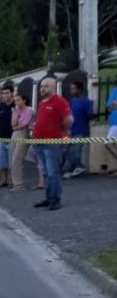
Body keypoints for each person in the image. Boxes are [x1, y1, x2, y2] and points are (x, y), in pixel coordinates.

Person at [32, 76, 72, 210]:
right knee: (45, 172)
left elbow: (69, 119)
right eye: (41, 86)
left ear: (53, 87)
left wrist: (61, 130)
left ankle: (55, 200)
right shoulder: (42, 103)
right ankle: (49, 198)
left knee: (53, 172)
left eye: (45, 86)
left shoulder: (59, 102)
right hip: (39, 143)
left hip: (52, 144)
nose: (42, 89)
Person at [63, 80, 94, 178]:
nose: (71, 91)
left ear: (79, 90)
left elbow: (90, 115)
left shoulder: (86, 101)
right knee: (67, 151)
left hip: (80, 130)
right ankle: (74, 169)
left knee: (75, 151)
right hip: (70, 130)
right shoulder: (72, 101)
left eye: (73, 89)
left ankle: (78, 167)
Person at [9, 91, 35, 191]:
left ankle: (19, 184)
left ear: (24, 100)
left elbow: (25, 124)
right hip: (15, 134)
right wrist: (16, 112)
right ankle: (14, 181)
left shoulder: (29, 110)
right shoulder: (15, 110)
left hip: (24, 134)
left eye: (18, 100)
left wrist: (16, 127)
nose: (17, 102)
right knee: (12, 157)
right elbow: (13, 124)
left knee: (17, 158)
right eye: (15, 100)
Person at [0, 84, 14, 188]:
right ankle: (3, 180)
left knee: (11, 161)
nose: (5, 95)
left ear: (12, 93)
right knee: (1, 161)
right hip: (0, 137)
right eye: (3, 93)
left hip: (12, 138)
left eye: (7, 93)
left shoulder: (15, 105)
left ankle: (10, 181)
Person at [107, 84, 117, 177]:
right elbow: (109, 107)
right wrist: (114, 105)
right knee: (109, 143)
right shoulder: (115, 91)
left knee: (108, 143)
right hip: (115, 123)